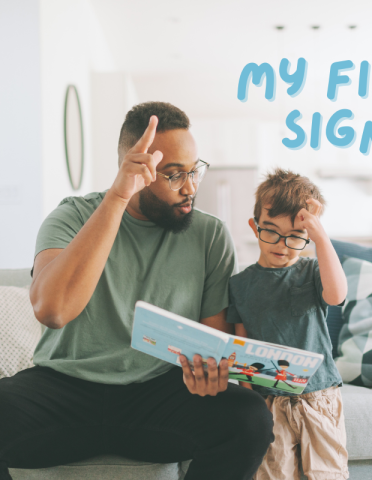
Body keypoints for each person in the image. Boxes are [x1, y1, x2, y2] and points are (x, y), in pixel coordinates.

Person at [0, 102, 273, 480]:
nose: (190, 187)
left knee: (248, 417)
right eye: (174, 174)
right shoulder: (72, 216)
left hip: (159, 393)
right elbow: (52, 310)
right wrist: (117, 198)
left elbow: (213, 340)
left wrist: (208, 373)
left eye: (194, 171)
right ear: (134, 170)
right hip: (64, 388)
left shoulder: (209, 235)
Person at [227, 169, 349, 480]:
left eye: (295, 236)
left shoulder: (310, 271)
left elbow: (336, 296)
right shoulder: (239, 285)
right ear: (255, 228)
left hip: (318, 397)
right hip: (269, 401)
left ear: (308, 236)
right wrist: (250, 400)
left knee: (328, 473)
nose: (282, 244)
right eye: (271, 231)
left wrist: (320, 235)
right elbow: (241, 346)